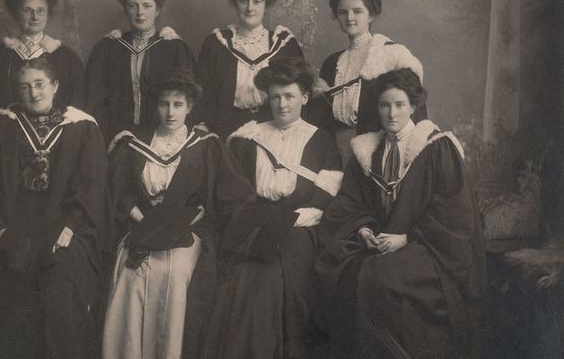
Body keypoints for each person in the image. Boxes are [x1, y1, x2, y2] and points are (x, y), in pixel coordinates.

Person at [315, 68, 487, 359]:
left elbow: (454, 215)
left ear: (414, 106)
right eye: (384, 105)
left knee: (380, 277)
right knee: (345, 272)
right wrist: (363, 229)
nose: (392, 114)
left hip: (430, 247)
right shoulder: (367, 151)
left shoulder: (437, 147)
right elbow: (349, 204)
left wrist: (407, 237)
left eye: (400, 105)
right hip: (379, 241)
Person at [102, 78, 257, 359]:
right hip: (140, 224)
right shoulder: (132, 144)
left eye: (178, 104)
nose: (170, 112)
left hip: (189, 228)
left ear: (190, 107)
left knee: (173, 272)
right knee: (130, 272)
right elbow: (117, 191)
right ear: (155, 106)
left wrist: (196, 218)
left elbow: (232, 194)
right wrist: (139, 218)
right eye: (164, 104)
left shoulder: (206, 145)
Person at [0, 58, 107, 359]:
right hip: (13, 224)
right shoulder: (4, 125)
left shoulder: (81, 127)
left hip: (65, 226)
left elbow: (91, 188)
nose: (33, 92)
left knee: (60, 290)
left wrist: (71, 227)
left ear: (55, 86)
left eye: (40, 84)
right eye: (25, 86)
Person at [203, 58, 343, 359]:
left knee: (283, 278)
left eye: (290, 96)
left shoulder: (321, 142)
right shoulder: (247, 137)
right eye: (275, 97)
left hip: (299, 225)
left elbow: (325, 199)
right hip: (253, 222)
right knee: (239, 279)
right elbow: (233, 193)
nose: (282, 104)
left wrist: (292, 219)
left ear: (304, 98)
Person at [306, 0, 425, 166]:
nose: (349, 17)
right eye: (343, 12)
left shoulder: (390, 55)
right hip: (336, 148)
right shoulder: (332, 63)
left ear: (370, 16)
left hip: (377, 148)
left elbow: (414, 107)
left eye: (357, 11)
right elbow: (323, 116)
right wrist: (321, 97)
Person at [85, 0, 198, 142]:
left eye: (147, 6)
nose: (140, 13)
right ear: (125, 9)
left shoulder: (174, 48)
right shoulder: (108, 48)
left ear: (157, 10)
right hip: (115, 134)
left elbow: (187, 96)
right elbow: (94, 98)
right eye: (133, 6)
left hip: (160, 134)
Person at [0, 0, 85, 137]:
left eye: (40, 11)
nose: (35, 17)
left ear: (48, 14)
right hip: (7, 135)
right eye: (27, 10)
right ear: (16, 14)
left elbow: (76, 102)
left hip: (55, 137)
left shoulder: (66, 58)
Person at [199, 0, 304, 140]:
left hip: (275, 128)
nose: (250, 8)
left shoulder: (285, 44)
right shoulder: (216, 44)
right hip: (227, 129)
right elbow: (205, 94)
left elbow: (297, 93)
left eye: (257, 1)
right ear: (235, 3)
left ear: (266, 5)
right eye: (243, 0)